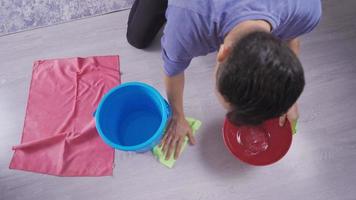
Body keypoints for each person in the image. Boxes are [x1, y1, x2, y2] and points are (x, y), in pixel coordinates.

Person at [126, 0, 322, 160]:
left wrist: (286, 95)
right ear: (222, 52)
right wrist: (177, 115)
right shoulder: (185, 23)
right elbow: (173, 70)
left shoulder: (306, 9)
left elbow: (291, 38)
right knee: (137, 39)